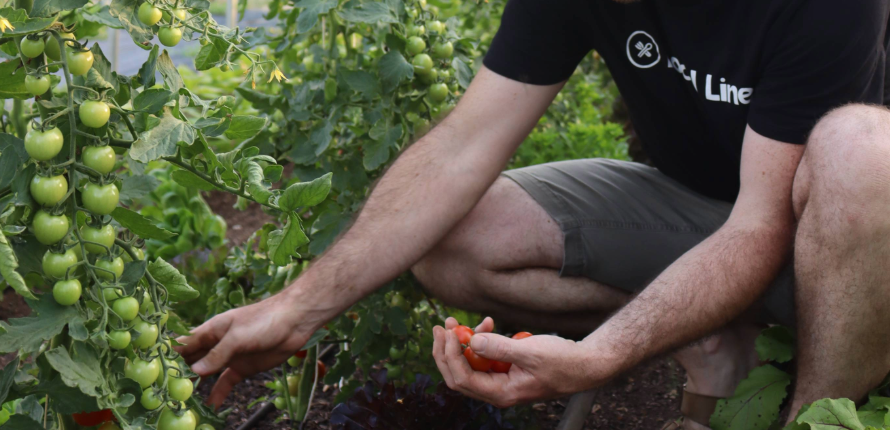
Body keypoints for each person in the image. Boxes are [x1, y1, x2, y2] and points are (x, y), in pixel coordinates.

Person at [178, 0, 890, 428]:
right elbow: (461, 148)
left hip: (848, 243)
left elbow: (760, 226)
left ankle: (819, 414)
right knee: (459, 238)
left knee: (864, 153)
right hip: (712, 213)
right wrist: (299, 307)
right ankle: (712, 344)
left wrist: (601, 354)